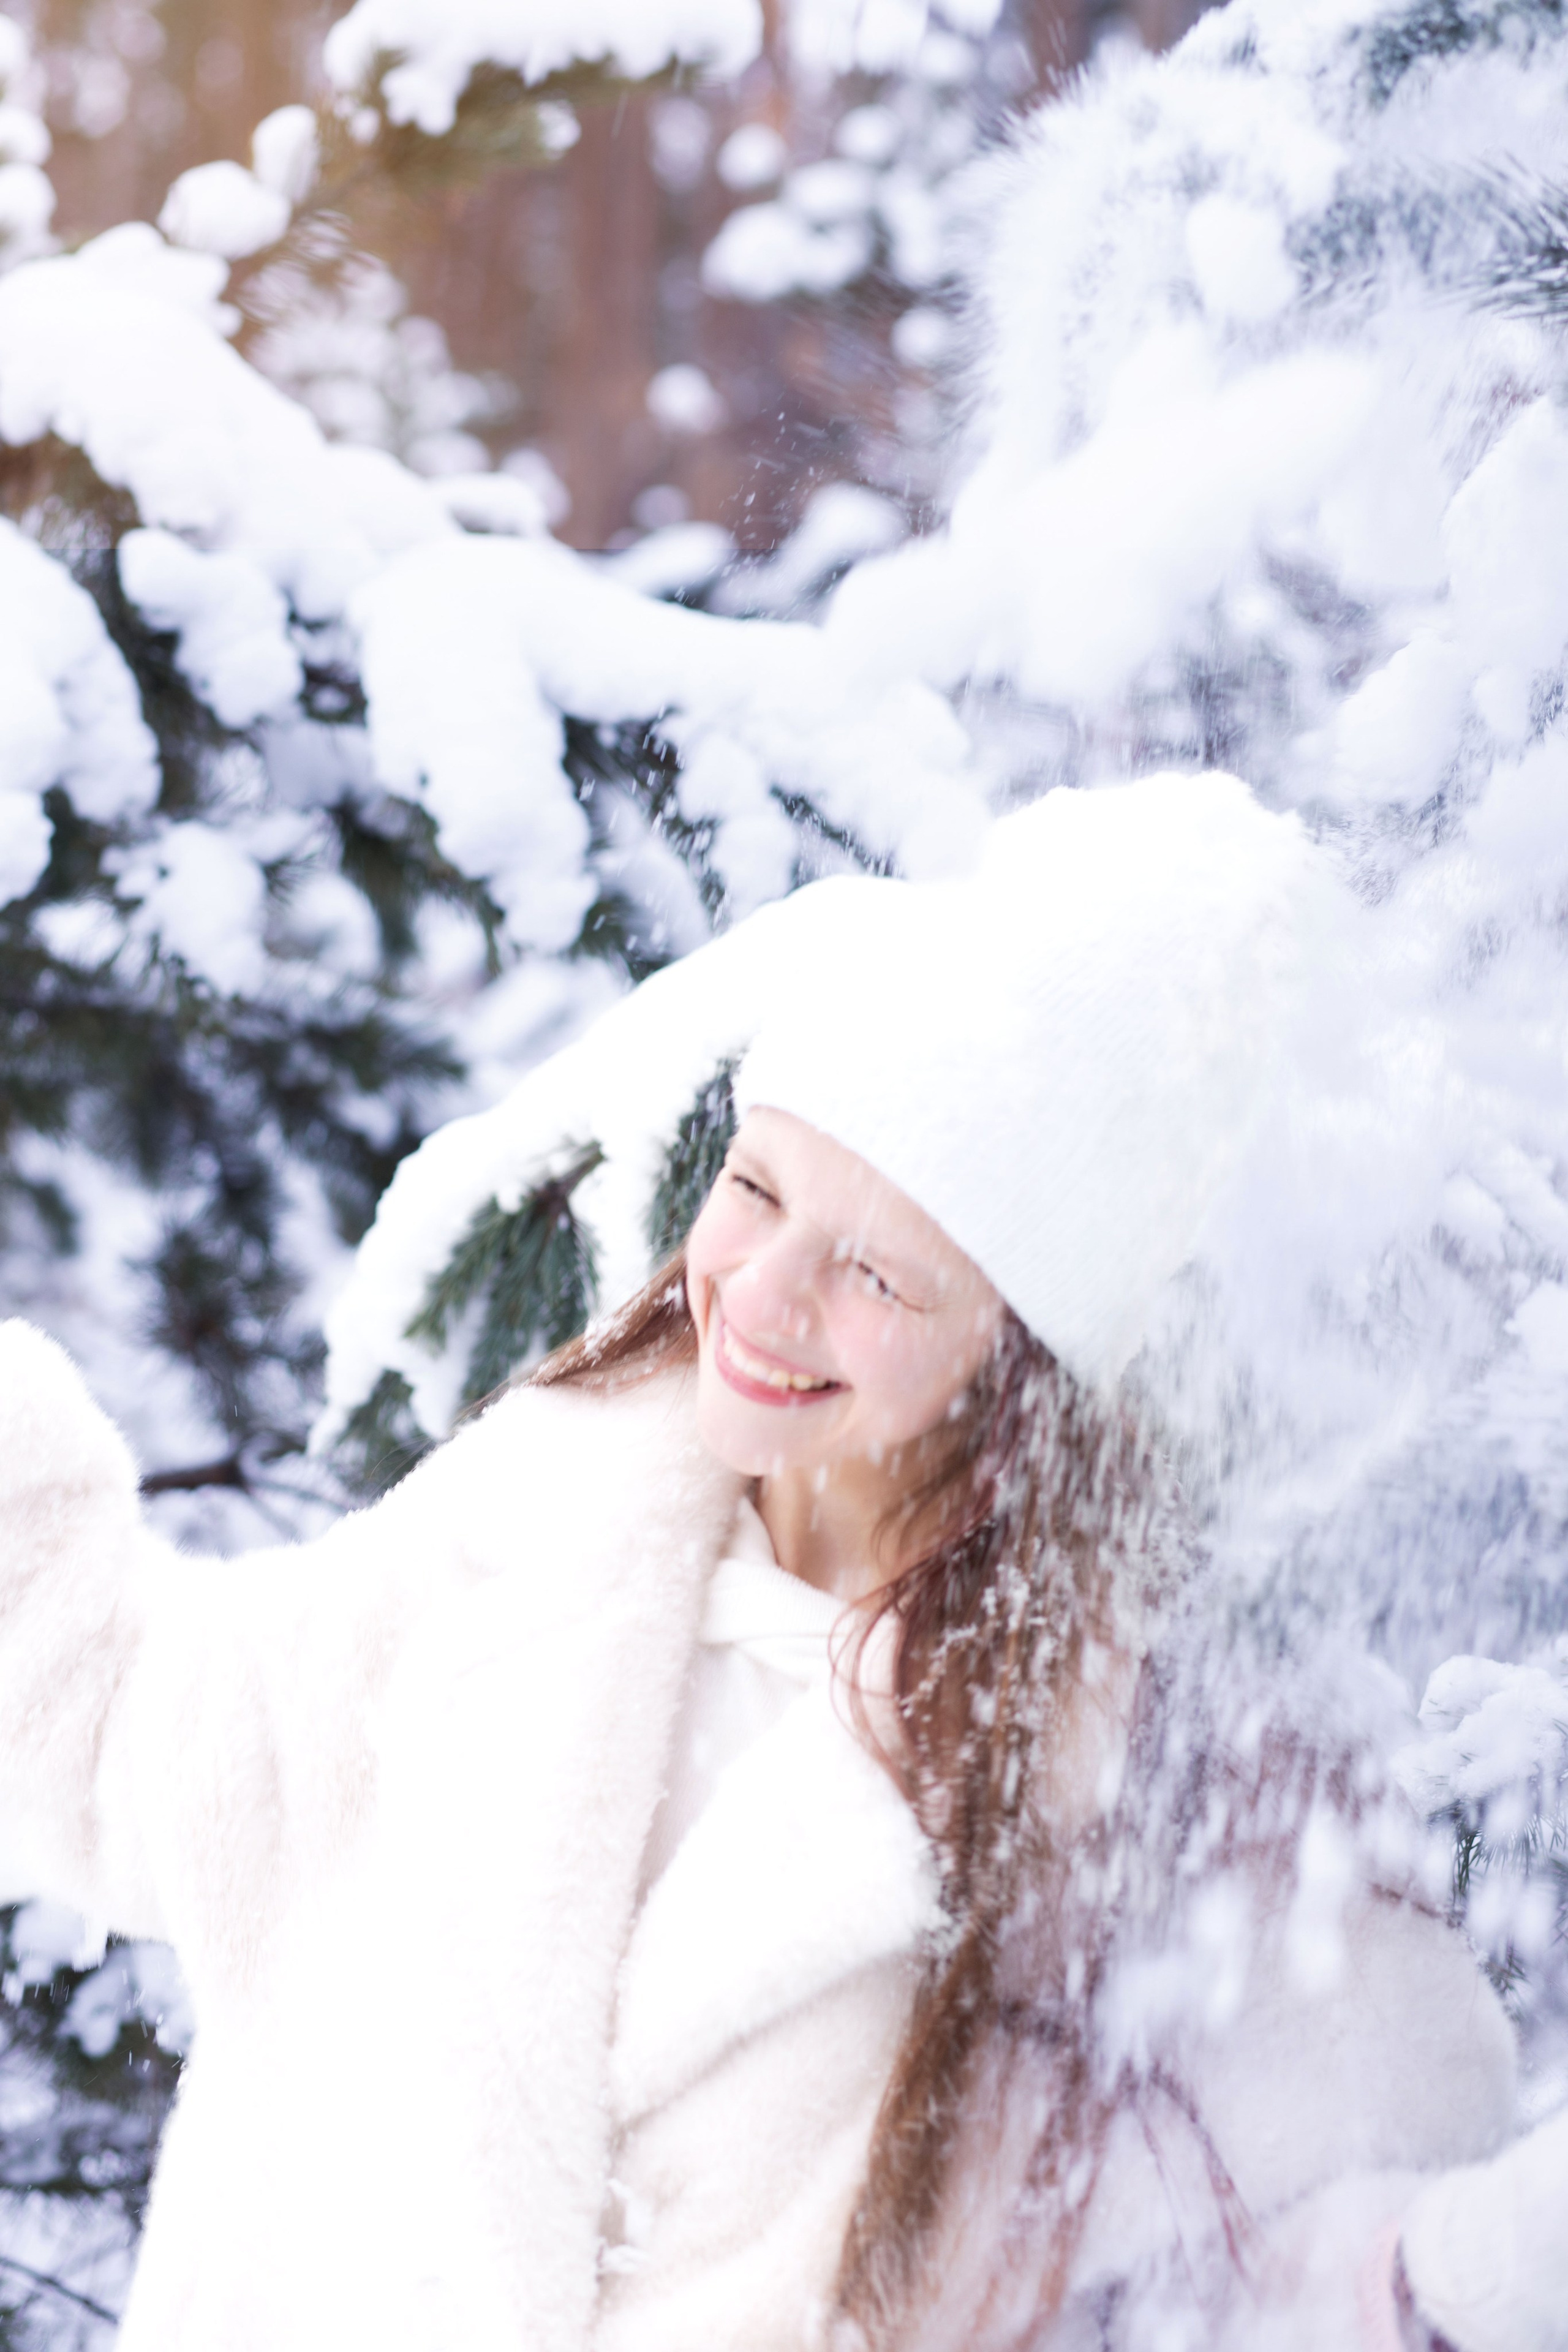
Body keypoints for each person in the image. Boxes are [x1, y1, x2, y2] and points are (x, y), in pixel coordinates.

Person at [0, 775, 1523, 2351]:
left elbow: (1289, 2265)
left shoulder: (1142, 1769)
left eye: (871, 1270)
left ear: (1026, 1357)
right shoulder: (555, 1503)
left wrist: (1479, 2267)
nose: (762, 1296)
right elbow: (143, 1759)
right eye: (756, 1190)